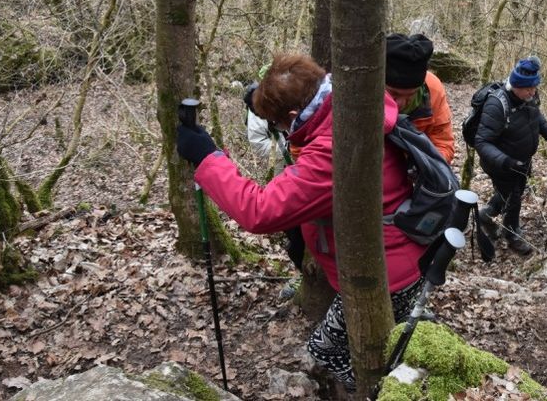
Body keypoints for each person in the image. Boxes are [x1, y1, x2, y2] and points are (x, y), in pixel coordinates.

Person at [175, 53, 425, 393]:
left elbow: (260, 211)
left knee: (327, 350)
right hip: (397, 256)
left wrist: (207, 158)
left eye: (279, 125)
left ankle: (382, 389)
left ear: (293, 115)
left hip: (388, 275)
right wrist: (264, 95)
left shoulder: (333, 152)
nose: (281, 132)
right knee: (375, 338)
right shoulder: (351, 98)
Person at [474, 56, 547, 255]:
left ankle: (485, 215)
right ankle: (512, 234)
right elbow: (482, 141)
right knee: (513, 197)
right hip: (501, 164)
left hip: (521, 161)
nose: (533, 92)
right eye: (529, 88)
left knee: (511, 193)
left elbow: (537, 118)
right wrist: (506, 161)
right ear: (516, 86)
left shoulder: (529, 98)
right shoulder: (497, 105)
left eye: (534, 87)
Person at [384, 33, 455, 164]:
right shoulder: (363, 92)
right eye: (394, 94)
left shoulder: (433, 89)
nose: (400, 103)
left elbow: (442, 142)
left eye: (410, 95)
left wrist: (428, 167)